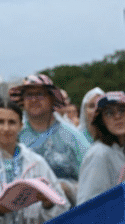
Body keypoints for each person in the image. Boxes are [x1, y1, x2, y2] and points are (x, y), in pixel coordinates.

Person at [0, 100, 68, 223]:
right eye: (0, 122)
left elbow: (63, 206)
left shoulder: (36, 162)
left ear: (21, 126)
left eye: (12, 122)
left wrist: (49, 204)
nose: (6, 128)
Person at [10, 74, 89, 203]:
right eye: (29, 95)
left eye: (40, 94)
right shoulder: (14, 134)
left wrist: (65, 188)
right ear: (22, 100)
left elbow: (92, 181)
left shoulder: (72, 136)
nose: (34, 99)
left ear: (52, 99)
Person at [77, 91, 125, 204]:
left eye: (122, 110)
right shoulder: (99, 153)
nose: (117, 116)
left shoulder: (120, 149)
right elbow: (88, 206)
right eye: (109, 113)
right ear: (101, 121)